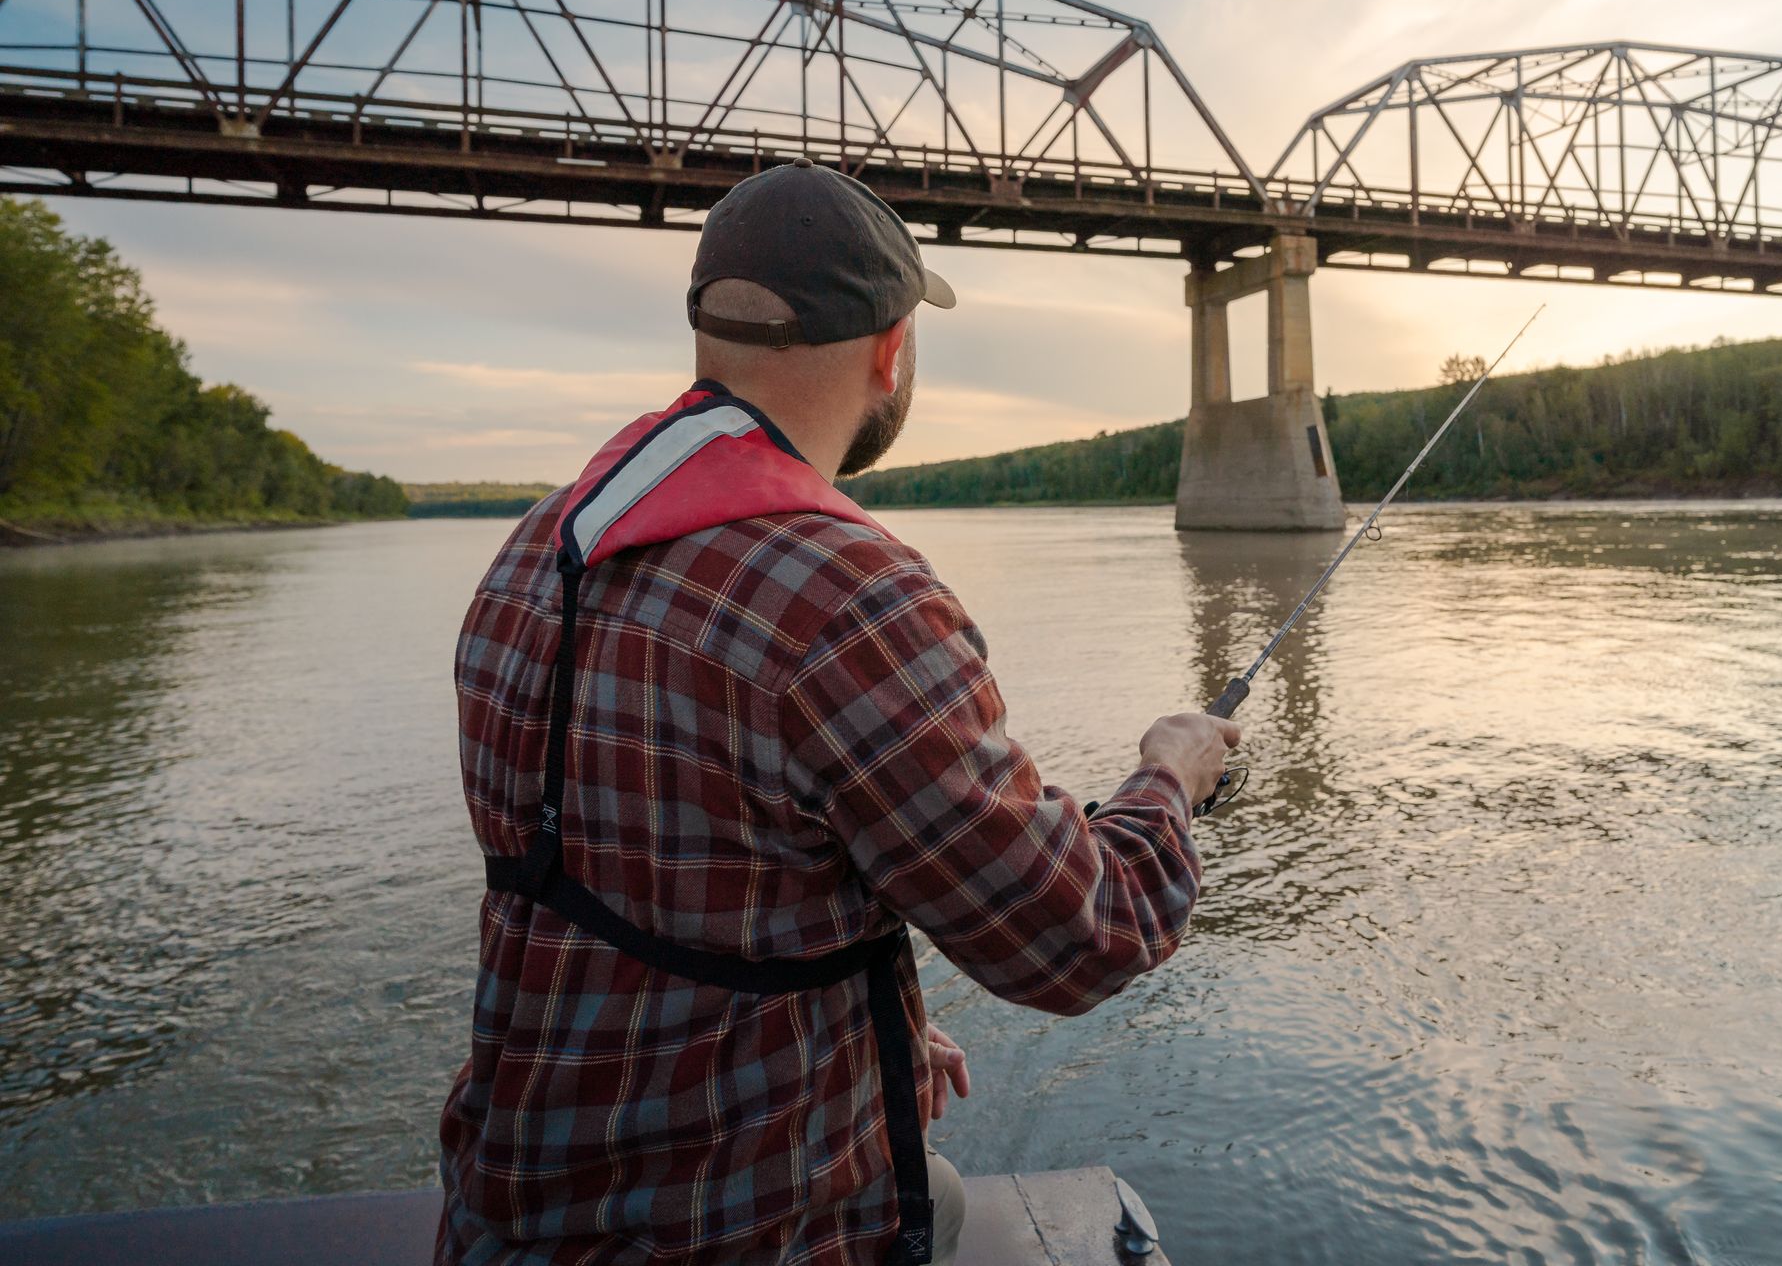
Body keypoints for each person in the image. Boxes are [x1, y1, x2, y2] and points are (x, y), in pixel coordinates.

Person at [435, 161, 1239, 1266]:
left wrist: (882, 1031)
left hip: (508, 1213)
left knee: (946, 1191)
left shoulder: (536, 549)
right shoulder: (851, 598)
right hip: (747, 1232)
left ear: (709, 327)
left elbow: (663, 895)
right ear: (890, 350)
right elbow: (1078, 937)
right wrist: (1171, 774)